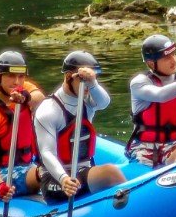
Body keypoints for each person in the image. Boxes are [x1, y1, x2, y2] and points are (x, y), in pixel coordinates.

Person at [33, 50, 126, 203]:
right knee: (110, 173)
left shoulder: (88, 101)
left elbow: (104, 103)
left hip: (83, 170)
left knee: (111, 174)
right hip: (57, 180)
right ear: (69, 77)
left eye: (92, 80)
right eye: (84, 80)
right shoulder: (48, 110)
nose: (88, 86)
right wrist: (64, 179)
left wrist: (92, 82)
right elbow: (47, 152)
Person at [0, 50, 46, 203]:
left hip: (25, 165)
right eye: (11, 76)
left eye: (21, 76)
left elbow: (40, 98)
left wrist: (26, 97)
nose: (17, 82)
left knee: (55, 170)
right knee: (45, 174)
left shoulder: (23, 89)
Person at [126, 34, 176, 166]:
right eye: (167, 57)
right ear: (151, 63)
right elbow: (161, 96)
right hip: (144, 147)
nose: (173, 60)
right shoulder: (139, 83)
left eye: (174, 54)